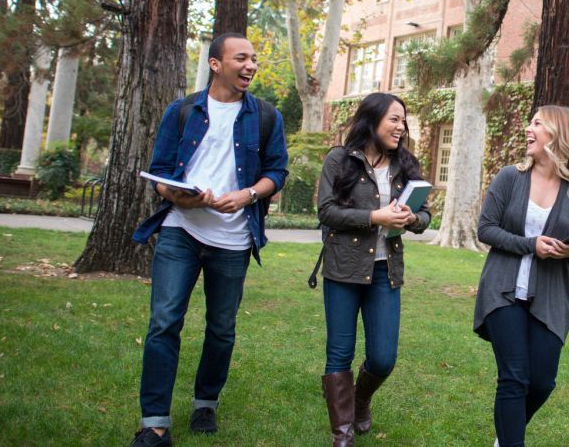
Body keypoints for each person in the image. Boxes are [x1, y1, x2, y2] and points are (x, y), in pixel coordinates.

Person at [128, 33, 289, 446]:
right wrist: (178, 194)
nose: (251, 66)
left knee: (221, 328)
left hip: (233, 241)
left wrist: (248, 194)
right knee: (164, 322)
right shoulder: (181, 111)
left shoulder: (267, 116)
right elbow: (159, 173)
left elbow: (277, 172)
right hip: (181, 229)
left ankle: (205, 403)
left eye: (254, 59)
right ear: (216, 64)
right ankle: (155, 423)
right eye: (242, 58)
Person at [315, 92, 432, 446]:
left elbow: (426, 215)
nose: (401, 126)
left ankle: (360, 398)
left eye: (403, 120)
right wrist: (374, 217)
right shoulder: (340, 159)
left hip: (385, 271)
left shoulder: (405, 165)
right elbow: (326, 212)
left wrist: (413, 218)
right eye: (394, 119)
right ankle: (342, 434)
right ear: (372, 119)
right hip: (343, 268)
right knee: (340, 352)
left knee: (383, 358)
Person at [473, 105, 569, 447]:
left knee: (541, 382)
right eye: (530, 122)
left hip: (550, 297)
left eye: (537, 123)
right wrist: (530, 245)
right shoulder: (510, 176)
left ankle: (505, 436)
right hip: (503, 290)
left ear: (557, 134)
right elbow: (486, 229)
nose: (528, 128)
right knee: (513, 379)